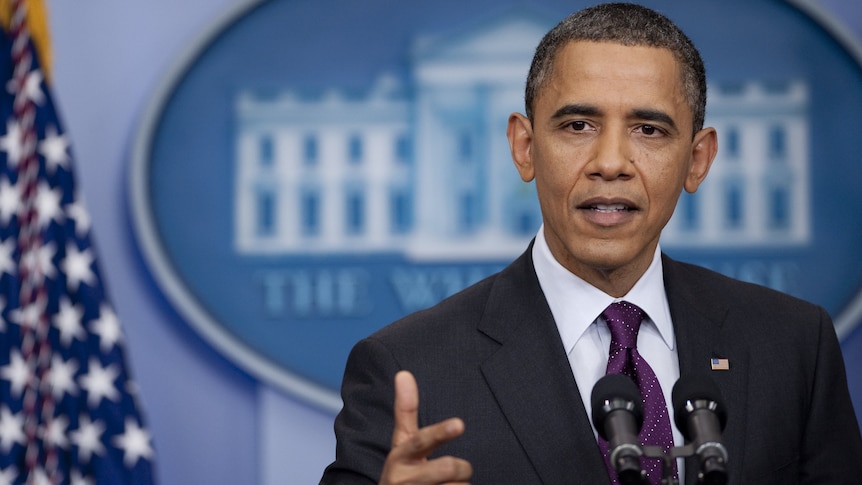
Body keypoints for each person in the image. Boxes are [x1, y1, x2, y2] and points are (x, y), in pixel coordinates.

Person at [320, 3, 862, 484]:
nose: (609, 163)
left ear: (697, 160)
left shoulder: (792, 346)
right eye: (578, 125)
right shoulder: (407, 369)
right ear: (525, 147)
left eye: (649, 130)